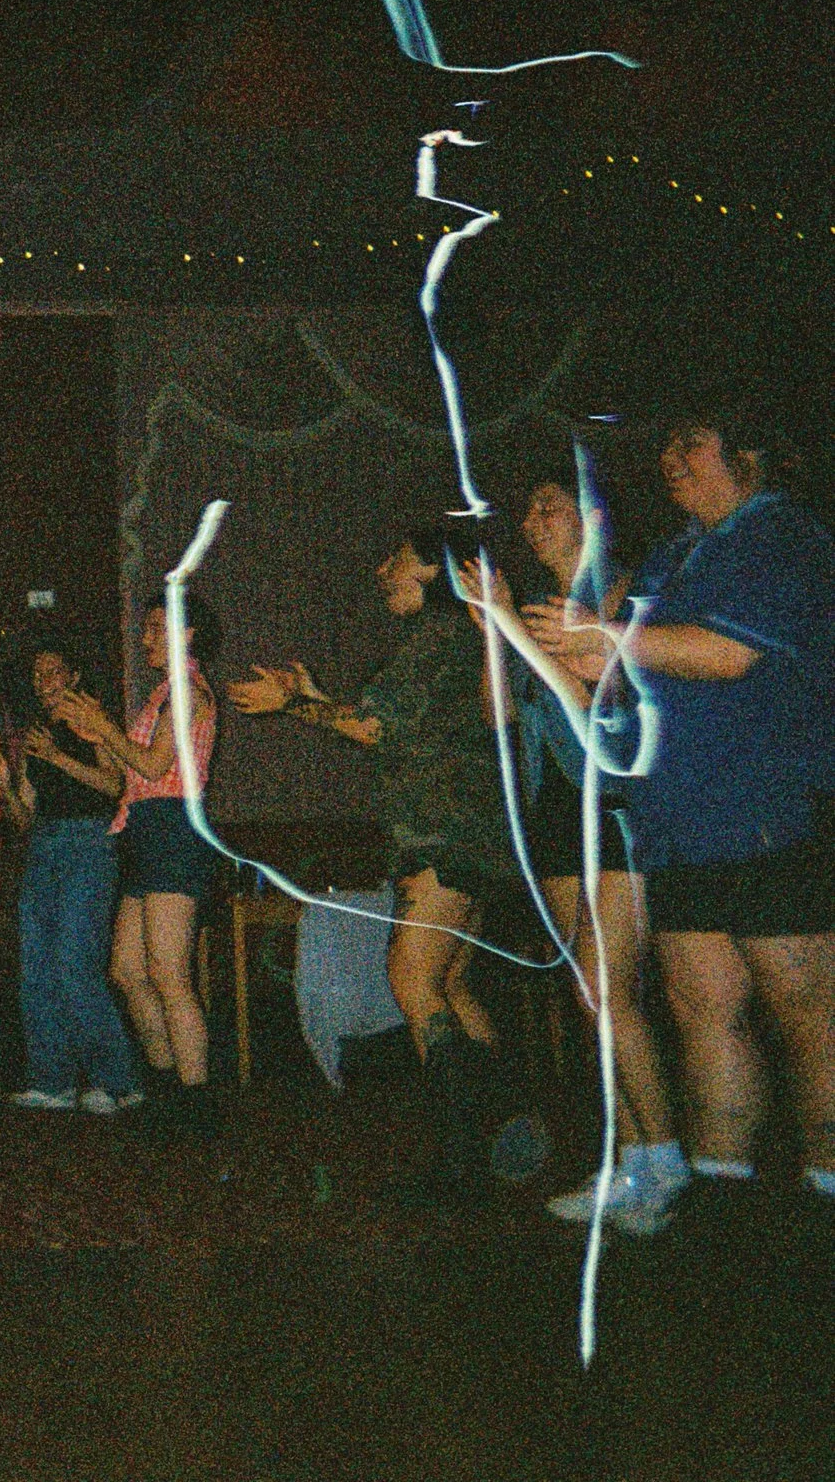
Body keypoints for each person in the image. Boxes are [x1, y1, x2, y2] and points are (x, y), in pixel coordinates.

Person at [529, 390, 835, 1232]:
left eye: (692, 443)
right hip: (681, 823)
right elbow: (616, 673)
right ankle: (723, 1188)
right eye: (668, 447)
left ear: (750, 452)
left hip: (769, 810)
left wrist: (603, 640)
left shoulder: (782, 536)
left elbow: (729, 655)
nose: (672, 459)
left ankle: (825, 1184)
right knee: (702, 1006)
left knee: (803, 1005)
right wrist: (554, 640)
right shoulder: (670, 559)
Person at [230, 521, 539, 1200]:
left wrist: (295, 704)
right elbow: (391, 733)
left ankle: (460, 1156)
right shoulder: (457, 638)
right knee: (452, 984)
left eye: (394, 559)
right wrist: (309, 697)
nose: (380, 570)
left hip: (445, 836)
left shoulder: (438, 636)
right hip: (477, 836)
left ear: (434, 571)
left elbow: (371, 726)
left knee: (411, 978)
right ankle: (506, 1120)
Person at [463, 475, 682, 1233]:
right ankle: (628, 1162)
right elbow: (500, 716)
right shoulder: (531, 613)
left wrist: (517, 629)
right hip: (557, 809)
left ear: (594, 517)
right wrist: (494, 630)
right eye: (527, 508)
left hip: (618, 809)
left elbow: (591, 705)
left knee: (607, 988)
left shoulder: (628, 599)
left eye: (549, 505)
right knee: (590, 1000)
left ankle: (665, 1155)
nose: (532, 518)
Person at [55, 603, 222, 1141]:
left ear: (187, 633)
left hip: (174, 826)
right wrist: (94, 732)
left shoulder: (189, 691)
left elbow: (154, 767)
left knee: (170, 972)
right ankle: (169, 1087)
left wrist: (105, 728)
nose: (146, 636)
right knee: (128, 970)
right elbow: (123, 772)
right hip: (145, 829)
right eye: (146, 627)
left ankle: (196, 1106)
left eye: (157, 627)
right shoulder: (161, 693)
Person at [0, 636, 139, 1117]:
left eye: (53, 671)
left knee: (76, 964)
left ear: (74, 677)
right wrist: (3, 784)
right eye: (37, 675)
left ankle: (116, 1082)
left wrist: (56, 757)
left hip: (88, 843)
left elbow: (113, 784)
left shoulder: (91, 720)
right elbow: (25, 815)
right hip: (45, 846)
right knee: (37, 965)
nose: (43, 682)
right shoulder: (36, 733)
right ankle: (51, 1081)